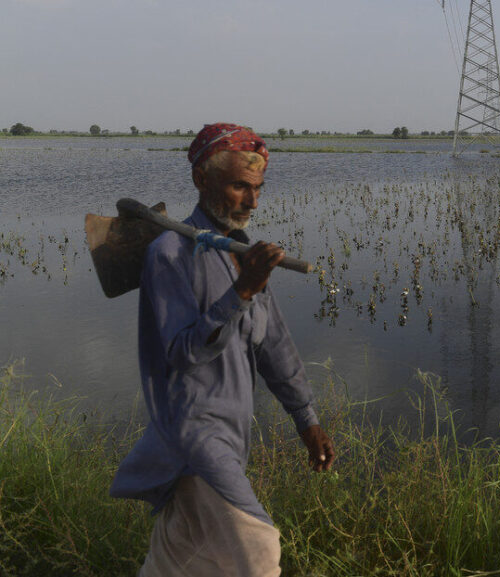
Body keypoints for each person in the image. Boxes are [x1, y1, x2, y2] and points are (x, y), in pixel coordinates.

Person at [110, 123, 336, 576]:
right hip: (193, 433)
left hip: (231, 431)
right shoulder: (169, 253)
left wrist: (307, 420)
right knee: (259, 550)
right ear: (201, 180)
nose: (252, 201)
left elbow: (275, 347)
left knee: (182, 558)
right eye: (239, 186)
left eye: (257, 189)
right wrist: (242, 292)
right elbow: (182, 353)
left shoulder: (241, 252)